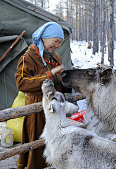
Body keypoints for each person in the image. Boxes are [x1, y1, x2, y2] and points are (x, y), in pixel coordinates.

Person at [15, 22, 71, 169]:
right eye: (55, 41)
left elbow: (58, 78)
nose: (57, 45)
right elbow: (22, 82)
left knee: (55, 141)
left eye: (60, 42)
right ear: (45, 38)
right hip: (37, 106)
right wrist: (48, 75)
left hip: (54, 106)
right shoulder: (29, 57)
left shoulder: (55, 57)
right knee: (38, 140)